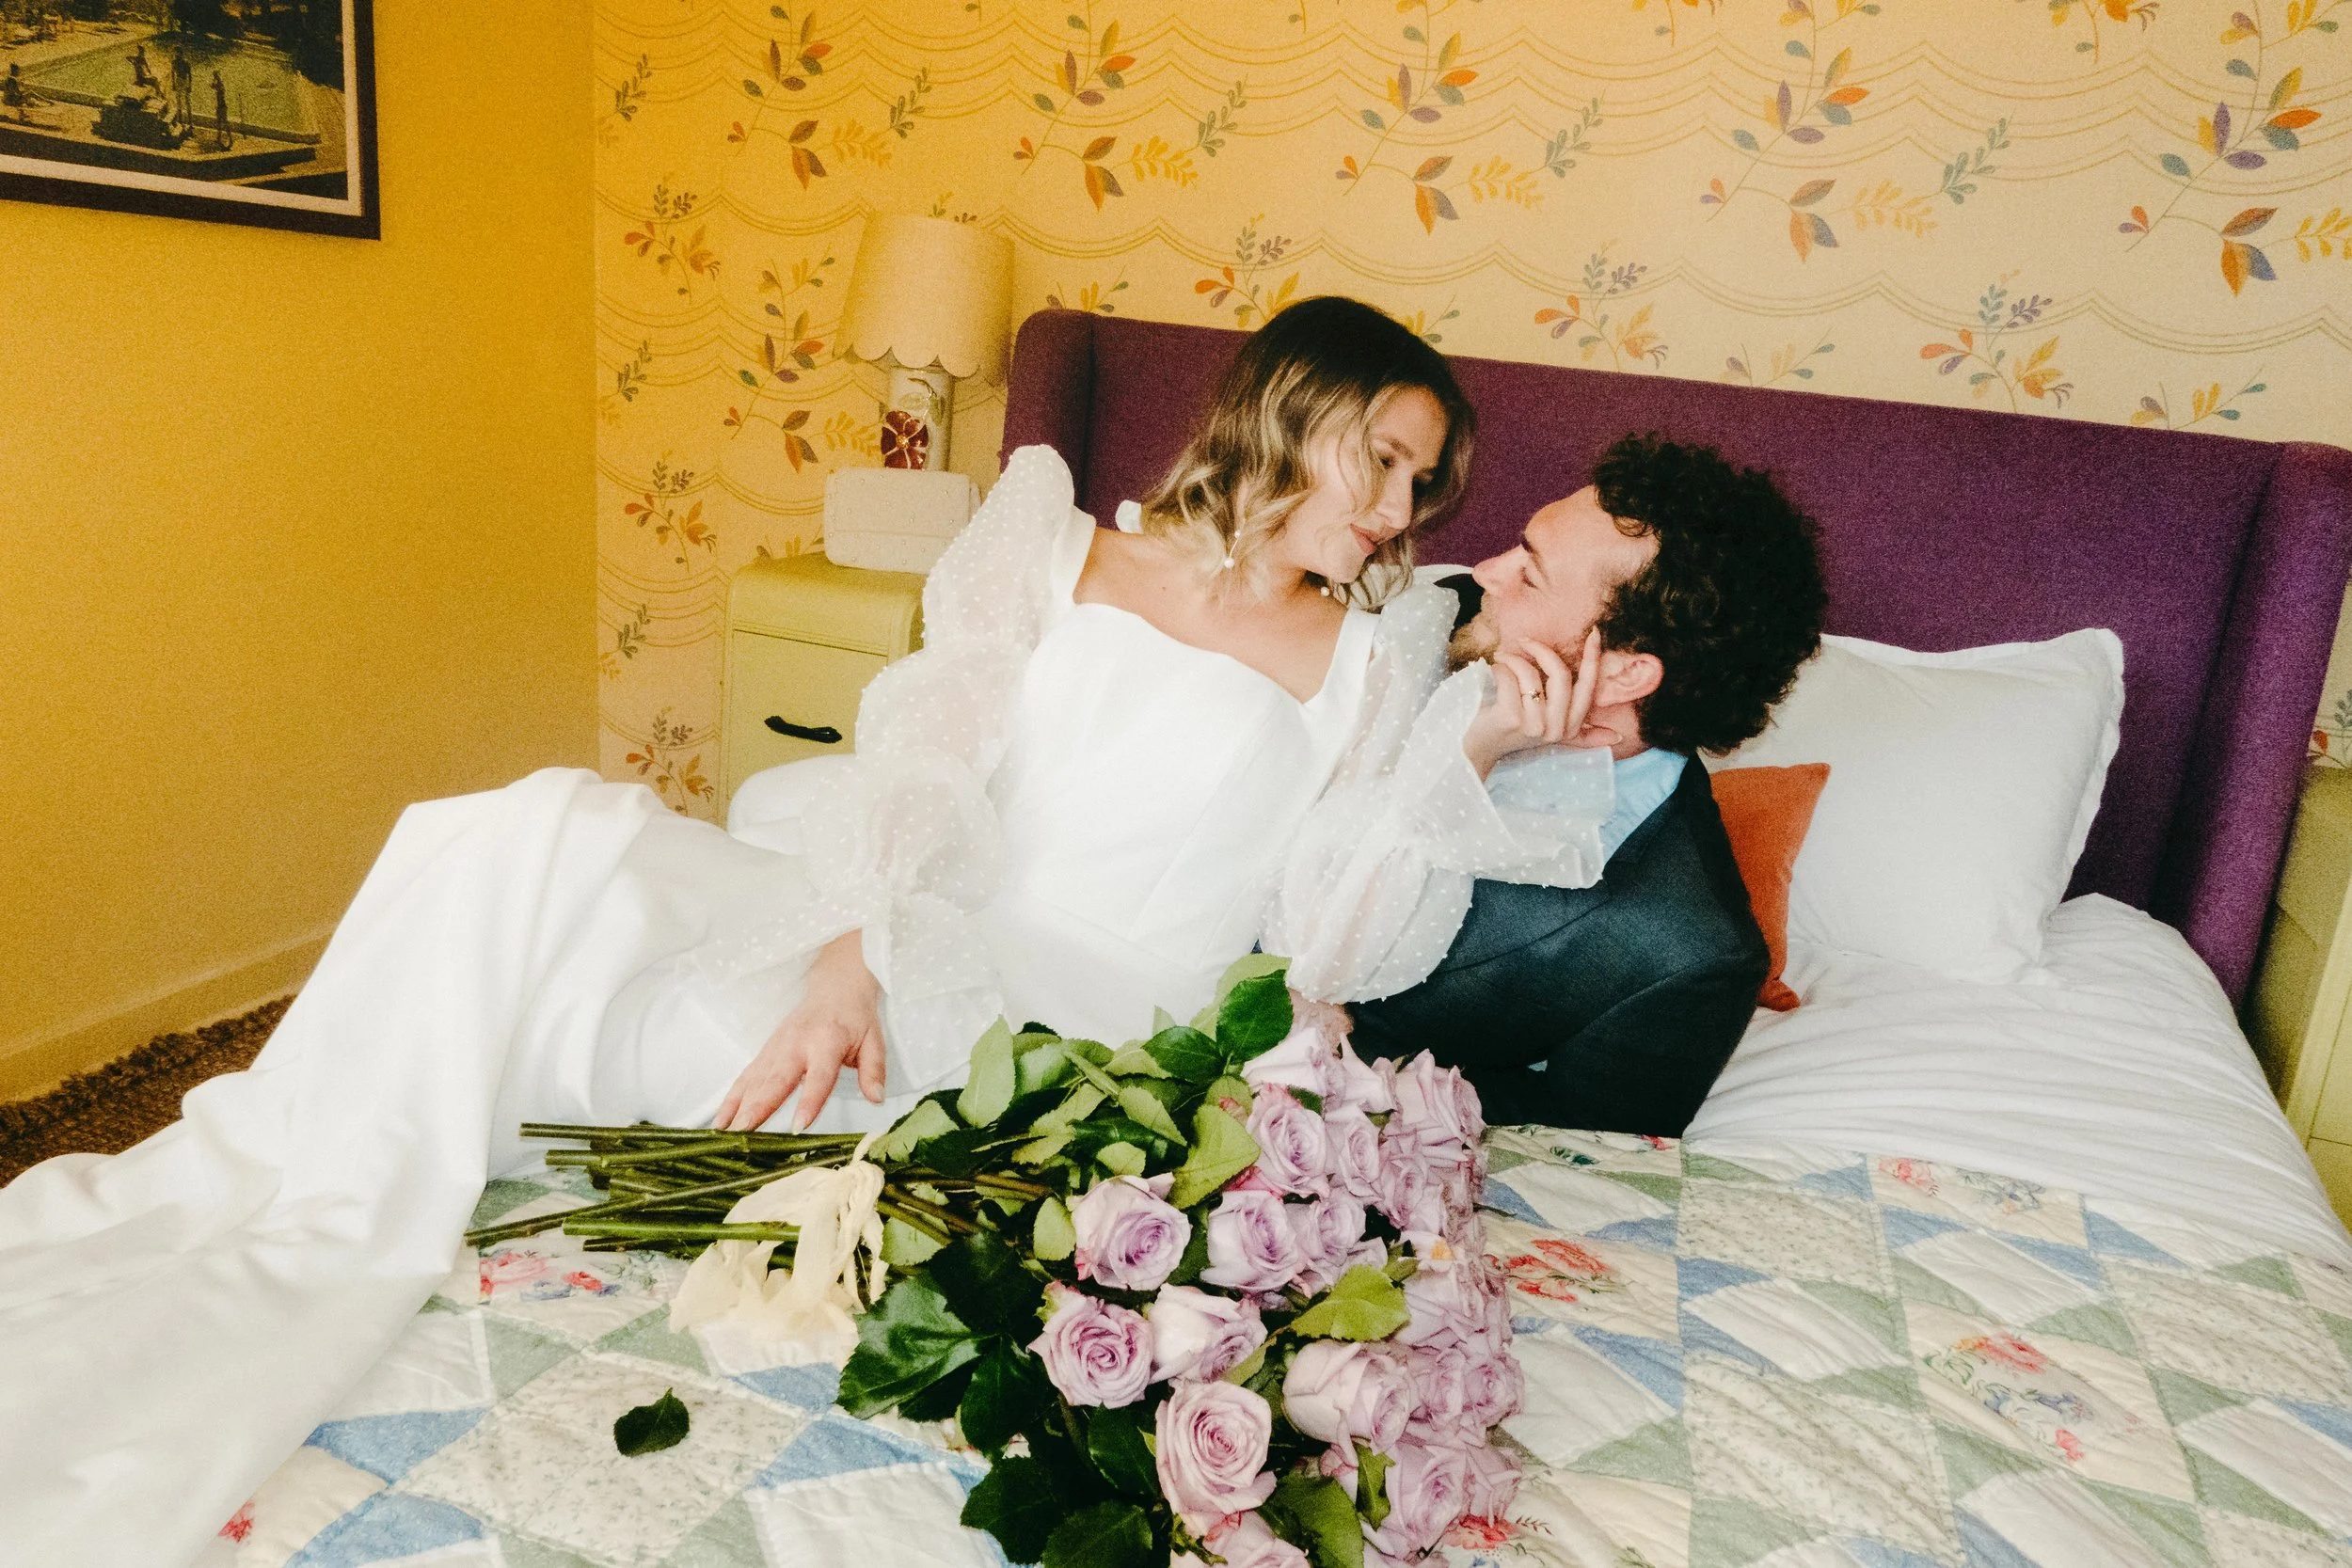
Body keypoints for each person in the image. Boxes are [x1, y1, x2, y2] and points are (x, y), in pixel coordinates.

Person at [0, 296, 1615, 1564]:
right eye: (1386, 460)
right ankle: (324, 1163)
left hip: (1077, 1042)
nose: (1405, 508)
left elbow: (1322, 940)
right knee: (537, 832)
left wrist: (1472, 752)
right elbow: (924, 766)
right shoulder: (1059, 546)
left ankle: (603, 1148)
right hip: (917, 921)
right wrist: (852, 956)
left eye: (1426, 484)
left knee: (697, 1082)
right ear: (1291, 418)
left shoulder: (1378, 658)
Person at [1345, 435, 1827, 1134]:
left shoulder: (1691, 951)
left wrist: (1354, 1083)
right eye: (1520, 545)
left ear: (1628, 671)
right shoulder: (1449, 620)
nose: (1484, 569)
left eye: (1531, 575)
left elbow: (1581, 1141)